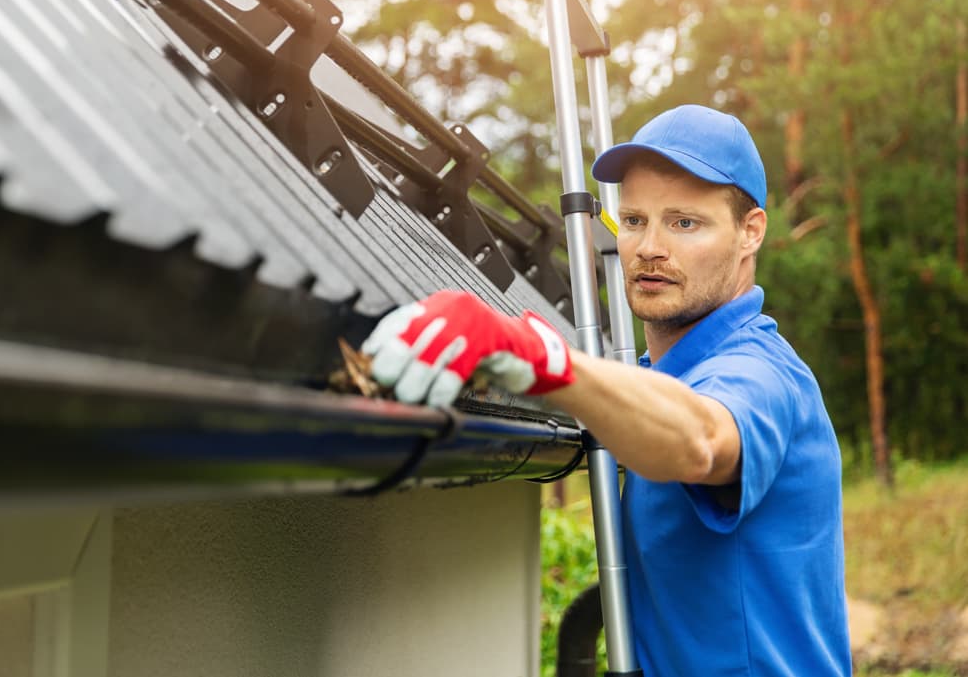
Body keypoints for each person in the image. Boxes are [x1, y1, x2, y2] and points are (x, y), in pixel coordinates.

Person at [360, 104, 851, 677]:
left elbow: (702, 438)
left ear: (751, 232)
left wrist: (546, 361)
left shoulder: (761, 373)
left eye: (684, 223)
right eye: (635, 220)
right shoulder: (657, 377)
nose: (649, 248)